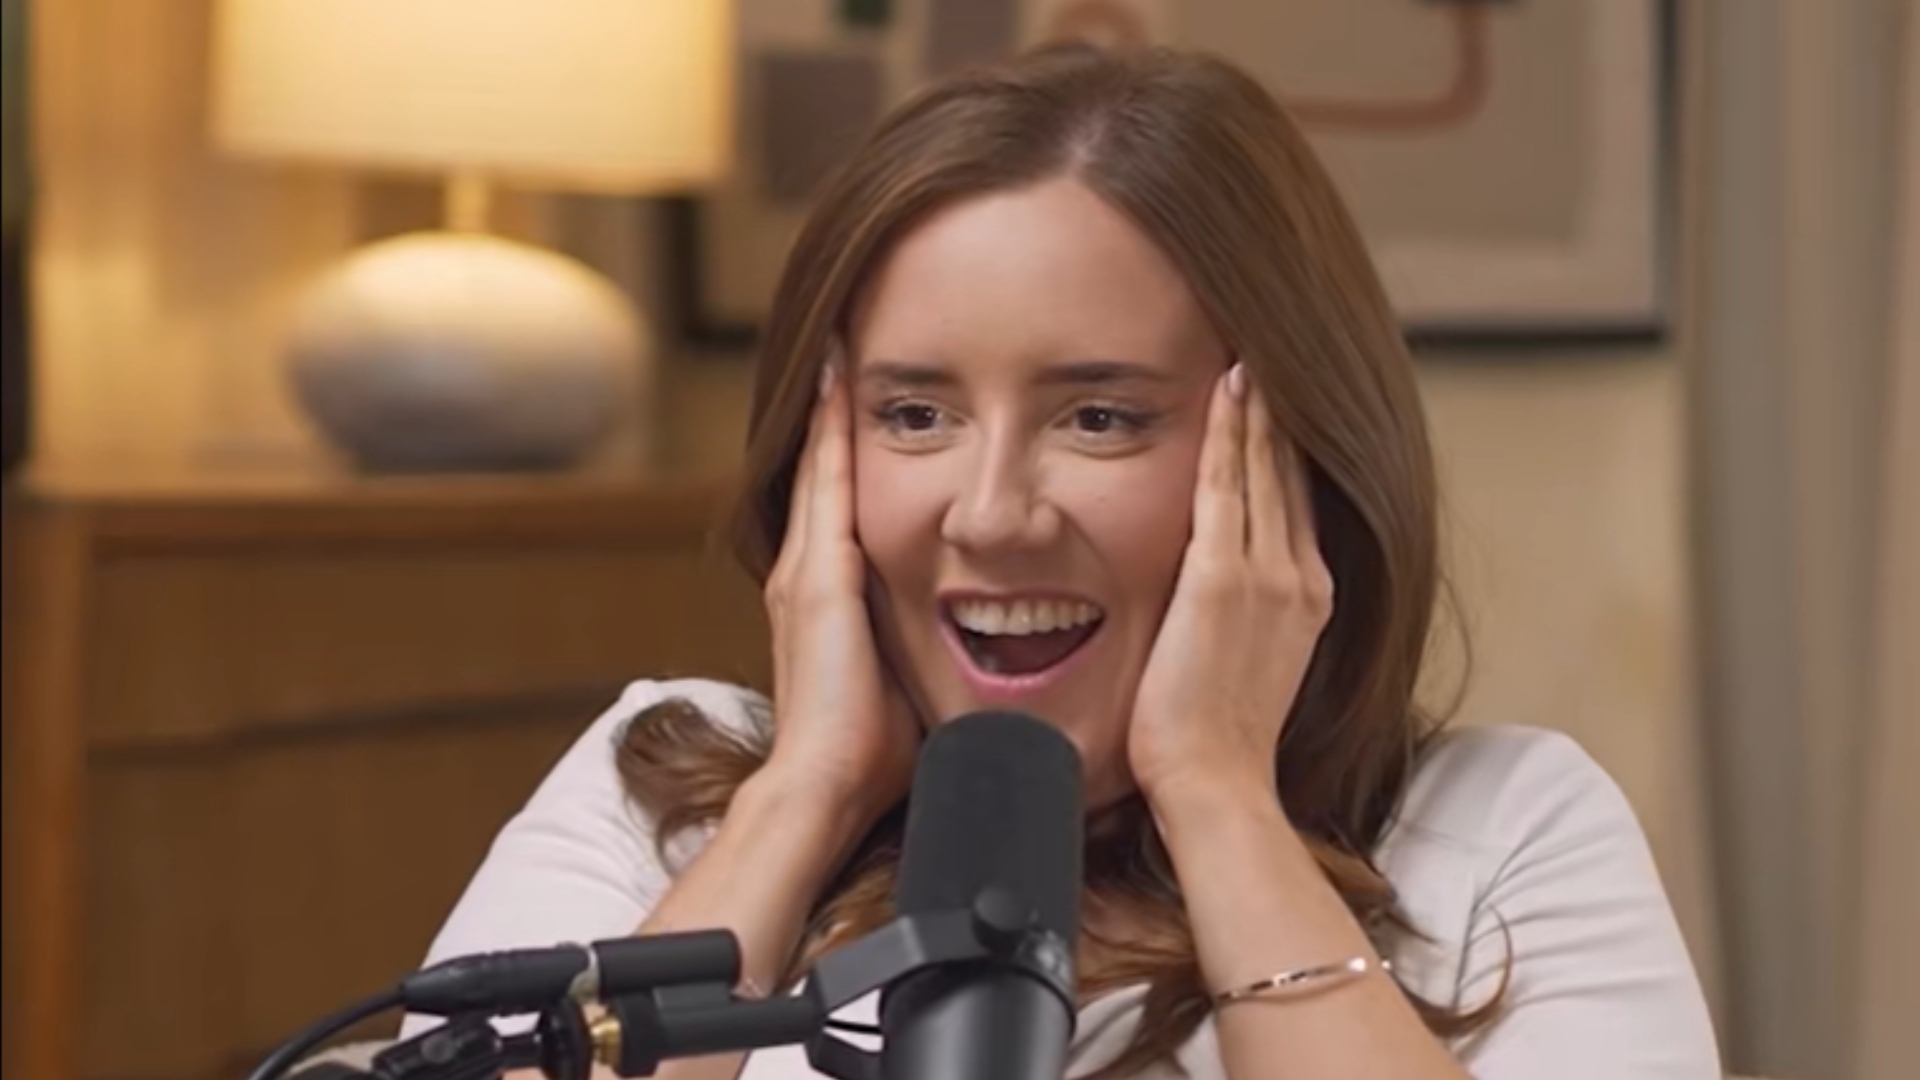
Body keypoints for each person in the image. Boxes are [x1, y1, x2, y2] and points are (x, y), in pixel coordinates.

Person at [402, 44, 1722, 1080]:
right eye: (915, 413)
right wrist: (805, 793)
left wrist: (1217, 797)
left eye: (1099, 417)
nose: (990, 515)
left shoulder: (1504, 833)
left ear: (1295, 455)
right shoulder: (664, 797)